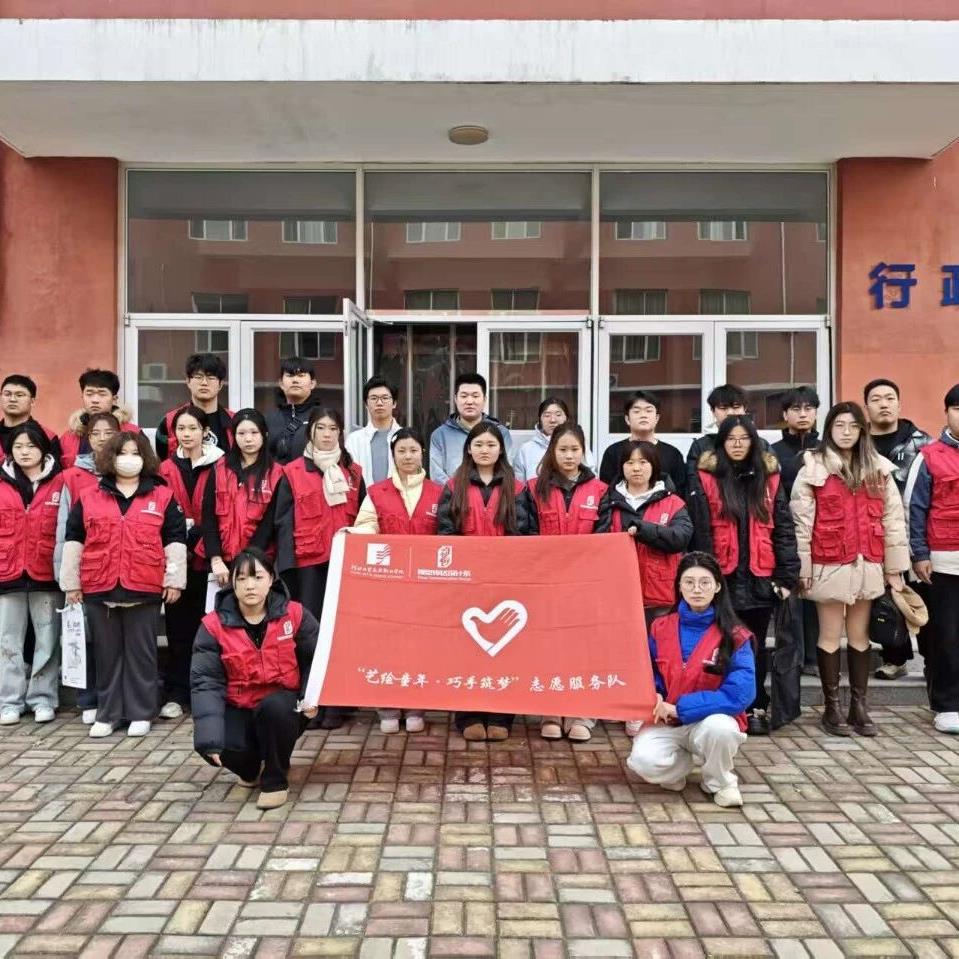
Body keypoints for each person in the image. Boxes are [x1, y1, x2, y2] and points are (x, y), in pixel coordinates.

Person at [790, 401, 909, 737]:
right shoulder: (812, 467)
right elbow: (801, 522)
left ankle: (859, 705)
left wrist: (895, 568)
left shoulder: (878, 468)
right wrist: (803, 566)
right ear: (829, 428)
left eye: (853, 426)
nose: (846, 432)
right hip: (828, 560)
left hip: (868, 560)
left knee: (859, 635)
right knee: (830, 634)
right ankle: (832, 707)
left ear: (862, 430)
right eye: (839, 425)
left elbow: (893, 520)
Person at [60, 432, 186, 738]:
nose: (128, 459)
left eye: (135, 453)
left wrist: (174, 580)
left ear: (145, 458)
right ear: (110, 458)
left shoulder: (162, 496)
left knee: (142, 654)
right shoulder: (89, 496)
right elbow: (74, 539)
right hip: (99, 585)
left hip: (144, 585)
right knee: (107, 654)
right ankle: (109, 713)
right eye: (122, 453)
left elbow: (174, 540)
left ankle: (141, 712)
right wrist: (71, 583)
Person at [689, 415, 799, 736]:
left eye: (744, 438)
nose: (737, 444)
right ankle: (722, 704)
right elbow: (700, 530)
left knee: (754, 645)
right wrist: (702, 575)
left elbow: (783, 527)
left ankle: (753, 704)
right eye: (731, 439)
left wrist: (786, 576)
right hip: (721, 576)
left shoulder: (769, 477)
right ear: (721, 443)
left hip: (760, 575)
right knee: (719, 643)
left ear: (754, 442)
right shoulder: (706, 478)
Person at [191, 548, 319, 810]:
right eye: (241, 578)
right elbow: (206, 682)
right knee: (222, 745)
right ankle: (251, 770)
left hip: (283, 707)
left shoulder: (295, 614)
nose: (250, 585)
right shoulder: (213, 626)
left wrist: (311, 696)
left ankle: (275, 779)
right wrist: (209, 738)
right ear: (232, 582)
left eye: (258, 577)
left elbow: (316, 659)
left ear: (271, 578)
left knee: (276, 709)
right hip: (239, 705)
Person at [626, 552, 755, 809]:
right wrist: (654, 693)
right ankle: (679, 767)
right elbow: (648, 669)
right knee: (641, 761)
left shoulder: (735, 635)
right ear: (679, 587)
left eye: (705, 582)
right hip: (667, 721)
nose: (697, 589)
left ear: (717, 587)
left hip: (709, 720)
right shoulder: (661, 627)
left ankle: (720, 781)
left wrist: (681, 708)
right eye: (689, 582)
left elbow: (740, 693)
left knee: (721, 730)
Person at [437, 422, 529, 741]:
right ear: (469, 449)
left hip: (507, 580)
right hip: (466, 582)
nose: (484, 450)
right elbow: (445, 531)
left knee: (506, 650)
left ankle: (502, 715)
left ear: (501, 449)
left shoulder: (517, 488)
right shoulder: (454, 485)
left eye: (491, 444)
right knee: (466, 650)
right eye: (478, 445)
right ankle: (469, 715)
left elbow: (525, 534)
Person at [276, 407, 364, 730]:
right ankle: (311, 701)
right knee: (309, 636)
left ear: (340, 433)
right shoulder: (292, 472)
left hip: (344, 566)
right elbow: (283, 522)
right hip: (307, 566)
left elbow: (365, 519)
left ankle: (338, 704)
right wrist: (288, 570)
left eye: (333, 428)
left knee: (341, 634)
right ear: (310, 432)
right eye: (321, 428)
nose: (327, 434)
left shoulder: (353, 473)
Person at [353, 427, 441, 735]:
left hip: (426, 586)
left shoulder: (438, 492)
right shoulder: (377, 492)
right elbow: (366, 525)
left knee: (420, 647)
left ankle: (416, 707)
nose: (408, 456)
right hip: (388, 585)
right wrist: (353, 535)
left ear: (422, 453)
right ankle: (387, 707)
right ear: (393, 455)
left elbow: (447, 533)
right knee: (387, 646)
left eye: (413, 450)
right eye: (401, 451)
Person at [522, 423, 606, 742]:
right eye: (562, 450)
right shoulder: (533, 489)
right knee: (549, 648)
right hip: (546, 584)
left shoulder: (600, 490)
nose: (569, 456)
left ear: (583, 452)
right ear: (552, 452)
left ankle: (582, 713)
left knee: (584, 650)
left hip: (586, 586)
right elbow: (526, 534)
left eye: (575, 449)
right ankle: (550, 711)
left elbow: (605, 537)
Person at [158, 406, 225, 721]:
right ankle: (177, 693)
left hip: (210, 558)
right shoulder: (164, 468)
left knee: (210, 630)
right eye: (181, 429)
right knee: (178, 630)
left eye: (193, 428)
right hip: (175, 559)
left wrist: (200, 538)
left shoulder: (221, 464)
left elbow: (223, 510)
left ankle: (207, 692)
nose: (187, 434)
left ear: (205, 431)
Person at [864, 378, 933, 680]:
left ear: (899, 403)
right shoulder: (859, 443)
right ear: (866, 407)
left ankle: (933, 660)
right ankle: (895, 657)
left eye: (889, 398)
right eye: (876, 399)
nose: (884, 404)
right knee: (885, 600)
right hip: (873, 533)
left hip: (917, 532)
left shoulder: (923, 444)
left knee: (922, 597)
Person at [54, 411, 120, 723]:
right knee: (84, 637)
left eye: (109, 432)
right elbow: (63, 530)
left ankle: (113, 698)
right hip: (85, 570)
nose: (103, 438)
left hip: (119, 569)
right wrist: (68, 578)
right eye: (96, 433)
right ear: (87, 438)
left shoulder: (130, 472)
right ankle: (88, 698)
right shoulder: (72, 477)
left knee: (112, 639)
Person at [0, 425, 63, 725]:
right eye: (18, 447)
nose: (24, 452)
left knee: (47, 640)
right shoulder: (2, 483)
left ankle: (43, 698)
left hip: (46, 572)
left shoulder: (60, 481)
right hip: (6, 571)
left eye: (31, 446)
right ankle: (9, 701)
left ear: (43, 449)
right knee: (7, 640)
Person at [905, 384, 959, 734]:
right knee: (946, 635)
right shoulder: (928, 456)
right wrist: (919, 554)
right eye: (958, 409)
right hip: (943, 561)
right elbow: (914, 507)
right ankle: (947, 704)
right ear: (947, 412)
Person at [597, 441, 693, 629]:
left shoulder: (673, 502)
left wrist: (644, 530)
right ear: (621, 467)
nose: (636, 468)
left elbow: (680, 538)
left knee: (658, 644)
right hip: (617, 594)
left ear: (654, 465)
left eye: (643, 462)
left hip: (660, 596)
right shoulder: (607, 501)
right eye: (630, 462)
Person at [770, 386, 822, 676]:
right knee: (789, 595)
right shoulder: (772, 452)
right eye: (796, 409)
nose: (803, 414)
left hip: (820, 533)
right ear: (785, 414)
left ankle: (814, 657)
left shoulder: (827, 449)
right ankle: (792, 657)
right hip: (784, 533)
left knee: (815, 596)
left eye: (808, 408)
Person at [204, 409, 286, 589]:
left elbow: (269, 524)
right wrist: (215, 558)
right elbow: (208, 516)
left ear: (264, 435)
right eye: (241, 433)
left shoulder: (277, 474)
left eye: (254, 433)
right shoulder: (219, 468)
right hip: (220, 565)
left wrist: (248, 559)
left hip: (259, 562)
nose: (248, 439)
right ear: (234, 436)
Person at [429, 373, 512, 485]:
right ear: (455, 399)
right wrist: (458, 491)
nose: (469, 401)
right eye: (464, 396)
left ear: (484, 399)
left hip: (492, 494)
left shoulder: (501, 432)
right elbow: (437, 476)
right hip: (453, 494)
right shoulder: (439, 435)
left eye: (475, 396)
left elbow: (507, 470)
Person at [599, 391, 686, 497]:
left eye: (649, 411)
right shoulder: (613, 452)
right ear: (627, 419)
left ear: (657, 418)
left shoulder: (672, 454)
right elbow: (605, 491)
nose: (643, 415)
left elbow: (680, 493)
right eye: (637, 411)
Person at [685, 384, 768, 491]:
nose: (730, 413)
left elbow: (773, 487)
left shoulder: (761, 444)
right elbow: (694, 488)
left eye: (736, 407)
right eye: (723, 408)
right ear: (713, 411)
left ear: (745, 409)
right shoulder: (700, 447)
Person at [155, 353, 234, 460]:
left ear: (220, 384)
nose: (204, 383)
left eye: (211, 377)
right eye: (198, 377)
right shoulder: (170, 421)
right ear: (188, 381)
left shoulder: (235, 421)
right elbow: (163, 463)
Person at [59, 368, 140, 470]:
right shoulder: (68, 437)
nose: (95, 400)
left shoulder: (132, 433)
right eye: (89, 394)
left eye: (102, 394)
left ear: (114, 399)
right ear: (82, 397)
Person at [513, 397, 595, 483]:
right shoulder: (526, 450)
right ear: (540, 419)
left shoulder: (578, 446)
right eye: (547, 415)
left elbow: (591, 477)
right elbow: (520, 485)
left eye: (558, 415)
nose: (553, 420)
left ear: (566, 418)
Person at [265, 357, 325, 465]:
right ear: (281, 383)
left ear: (312, 383)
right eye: (290, 375)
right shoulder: (269, 419)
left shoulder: (322, 417)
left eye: (301, 375)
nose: (295, 380)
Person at [345, 376, 402, 486]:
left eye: (385, 398)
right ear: (366, 404)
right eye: (374, 398)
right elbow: (349, 476)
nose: (379, 403)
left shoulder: (406, 438)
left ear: (394, 403)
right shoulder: (354, 440)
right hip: (363, 497)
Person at [0, 374, 61, 464]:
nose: (12, 399)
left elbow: (54, 471)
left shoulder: (47, 437)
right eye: (7, 394)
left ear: (32, 401)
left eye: (19, 395)